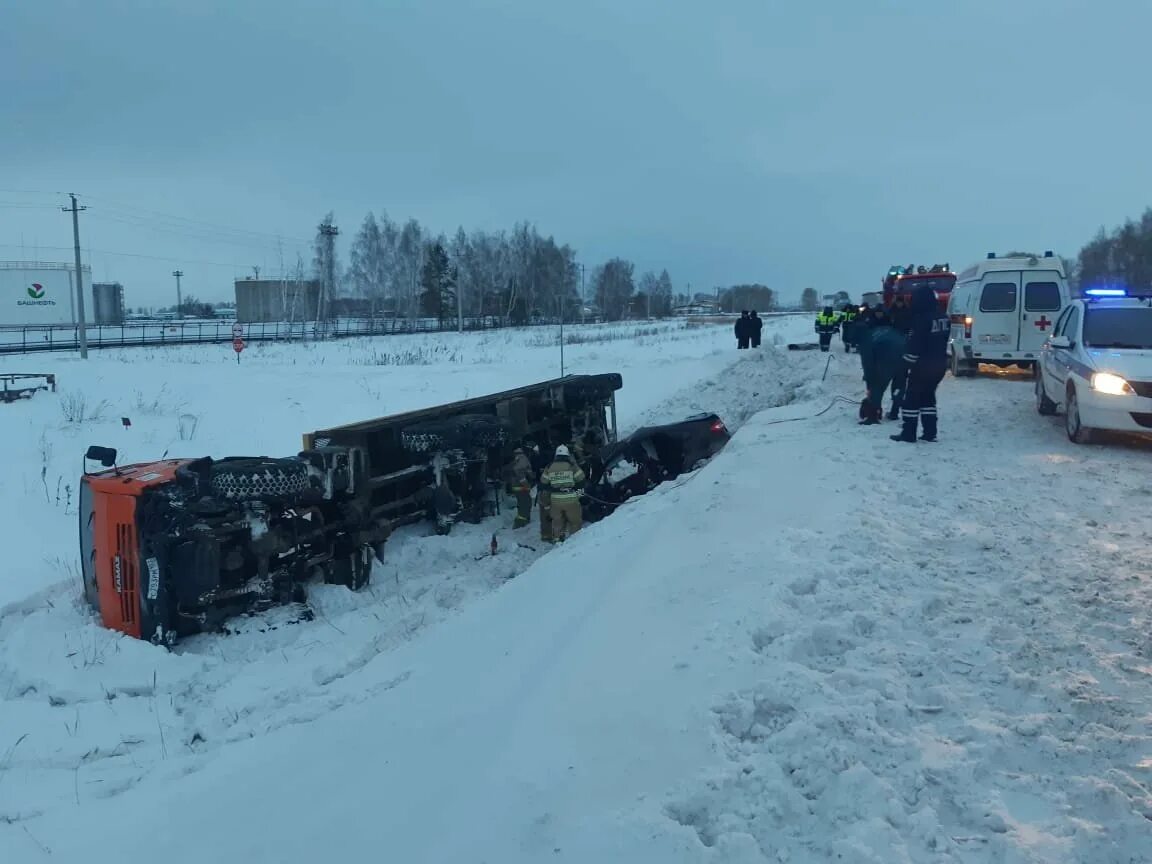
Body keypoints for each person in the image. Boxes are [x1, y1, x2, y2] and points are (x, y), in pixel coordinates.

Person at [891, 284, 949, 443]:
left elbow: (914, 347)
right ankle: (930, 433)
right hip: (939, 365)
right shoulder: (943, 317)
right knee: (928, 398)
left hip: (922, 366)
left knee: (911, 400)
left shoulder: (921, 319)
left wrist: (902, 368)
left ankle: (908, 434)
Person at [857, 307, 907, 425]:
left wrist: (869, 377)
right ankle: (894, 412)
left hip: (886, 360)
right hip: (903, 357)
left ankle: (873, 416)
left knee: (877, 385)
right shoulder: (894, 331)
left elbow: (867, 361)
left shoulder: (869, 336)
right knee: (899, 386)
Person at [539, 444, 586, 541]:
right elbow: (581, 480)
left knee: (557, 523)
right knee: (575, 522)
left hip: (556, 501)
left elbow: (543, 483)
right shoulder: (572, 466)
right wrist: (579, 496)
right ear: (567, 455)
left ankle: (558, 542)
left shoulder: (549, 467)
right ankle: (576, 542)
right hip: (571, 500)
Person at [503, 447, 535, 528]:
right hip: (521, 487)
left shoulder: (516, 459)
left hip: (517, 487)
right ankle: (520, 524)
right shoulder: (522, 458)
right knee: (525, 504)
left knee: (525, 503)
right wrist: (526, 484)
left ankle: (524, 521)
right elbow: (519, 471)